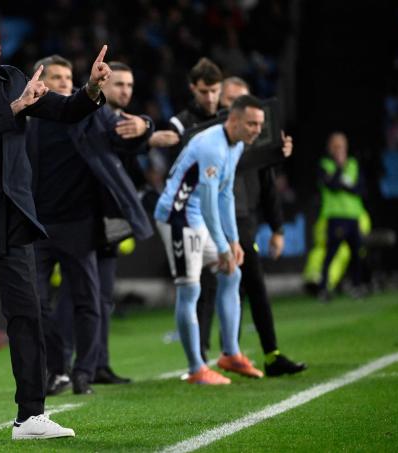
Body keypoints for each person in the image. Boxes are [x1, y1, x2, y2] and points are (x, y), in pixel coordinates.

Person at [0, 13, 110, 442]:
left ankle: (30, 416)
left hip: (14, 218)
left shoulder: (12, 78)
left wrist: (92, 89)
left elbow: (65, 112)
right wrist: (17, 107)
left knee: (28, 316)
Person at [27, 57, 153, 396]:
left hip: (79, 224)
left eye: (69, 77)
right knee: (34, 304)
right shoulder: (25, 118)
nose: (65, 83)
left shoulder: (89, 113)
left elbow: (125, 132)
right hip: (36, 227)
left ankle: (83, 373)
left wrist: (145, 126)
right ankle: (58, 368)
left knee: (89, 301)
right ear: (39, 81)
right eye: (56, 77)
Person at [154, 95, 266, 385]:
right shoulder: (212, 146)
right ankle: (196, 368)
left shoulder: (237, 144)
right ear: (234, 120)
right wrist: (223, 244)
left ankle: (230, 353)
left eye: (259, 124)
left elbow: (225, 194)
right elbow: (207, 203)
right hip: (177, 217)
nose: (256, 129)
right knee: (190, 289)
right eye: (252, 123)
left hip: (196, 218)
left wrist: (233, 240)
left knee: (232, 272)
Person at [219, 77, 306, 376]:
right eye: (231, 99)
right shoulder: (214, 137)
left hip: (244, 221)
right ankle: (223, 356)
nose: (237, 105)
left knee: (250, 286)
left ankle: (262, 353)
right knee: (218, 289)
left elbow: (268, 187)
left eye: (242, 99)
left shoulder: (257, 140)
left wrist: (278, 229)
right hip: (215, 220)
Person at [317, 132, 366, 300]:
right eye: (336, 146)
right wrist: (338, 168)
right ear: (330, 148)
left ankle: (357, 286)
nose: (339, 150)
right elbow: (332, 186)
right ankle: (323, 288)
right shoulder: (325, 165)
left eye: (341, 146)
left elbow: (360, 189)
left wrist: (344, 184)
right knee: (331, 253)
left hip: (353, 216)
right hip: (336, 216)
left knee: (357, 253)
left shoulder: (353, 164)